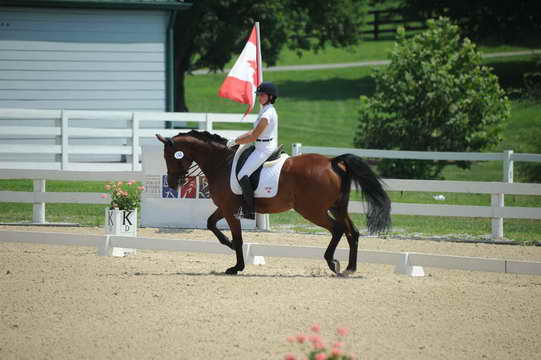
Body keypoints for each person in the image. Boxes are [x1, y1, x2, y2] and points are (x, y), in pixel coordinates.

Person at [226, 82, 279, 219]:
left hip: (264, 148)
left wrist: (235, 142)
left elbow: (254, 135)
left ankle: (249, 210)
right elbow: (252, 132)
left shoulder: (267, 113)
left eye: (262, 95)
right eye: (259, 95)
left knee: (242, 174)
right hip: (260, 145)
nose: (259, 97)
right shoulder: (264, 110)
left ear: (270, 96)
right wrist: (237, 139)